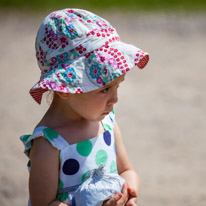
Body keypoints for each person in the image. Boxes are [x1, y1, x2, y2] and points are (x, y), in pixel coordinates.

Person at [20, 8, 149, 206]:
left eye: (117, 86)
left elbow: (126, 170)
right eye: (104, 89)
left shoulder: (107, 123)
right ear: (66, 89)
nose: (115, 99)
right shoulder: (49, 144)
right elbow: (43, 203)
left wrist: (129, 192)